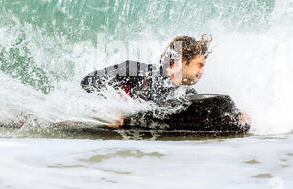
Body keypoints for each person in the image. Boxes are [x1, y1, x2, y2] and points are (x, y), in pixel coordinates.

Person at [81, 34, 250, 128]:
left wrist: (238, 118)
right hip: (103, 132)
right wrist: (108, 111)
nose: (202, 72)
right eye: (199, 65)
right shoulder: (135, 72)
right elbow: (89, 81)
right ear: (183, 61)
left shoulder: (187, 95)